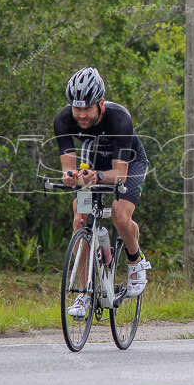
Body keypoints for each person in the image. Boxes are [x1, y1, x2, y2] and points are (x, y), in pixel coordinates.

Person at [53, 67, 151, 317]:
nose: (82, 115)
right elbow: (68, 169)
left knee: (119, 213)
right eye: (77, 109)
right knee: (80, 219)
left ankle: (135, 259)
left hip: (127, 164)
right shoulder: (63, 120)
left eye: (87, 109)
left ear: (101, 103)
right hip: (92, 163)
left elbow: (119, 173)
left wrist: (97, 175)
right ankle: (85, 293)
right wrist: (72, 177)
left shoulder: (119, 119)